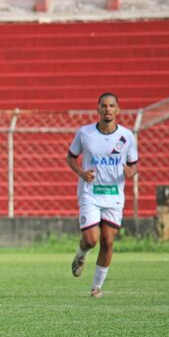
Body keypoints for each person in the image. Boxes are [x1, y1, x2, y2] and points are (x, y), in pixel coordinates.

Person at [67, 92, 138, 298]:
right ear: (98, 109)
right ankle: (81, 256)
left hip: (114, 195)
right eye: (104, 106)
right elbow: (71, 157)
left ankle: (96, 287)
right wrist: (81, 172)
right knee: (91, 240)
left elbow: (134, 164)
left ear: (118, 110)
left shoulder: (126, 136)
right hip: (91, 193)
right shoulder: (85, 133)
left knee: (108, 241)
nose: (108, 109)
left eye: (111, 106)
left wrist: (131, 172)